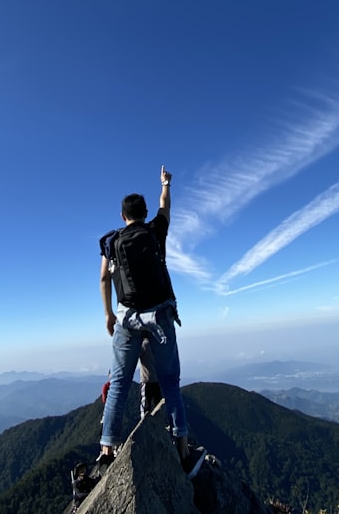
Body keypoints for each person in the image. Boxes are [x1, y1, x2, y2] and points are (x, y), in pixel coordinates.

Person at [97, 165, 203, 477]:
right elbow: (165, 206)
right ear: (144, 213)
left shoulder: (111, 241)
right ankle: (183, 453)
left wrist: (108, 314)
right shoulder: (156, 229)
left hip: (126, 317)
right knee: (170, 382)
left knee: (118, 384)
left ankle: (106, 453)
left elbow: (104, 278)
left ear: (122, 216)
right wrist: (165, 184)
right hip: (159, 314)